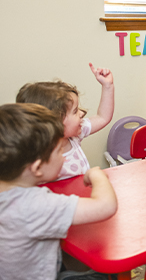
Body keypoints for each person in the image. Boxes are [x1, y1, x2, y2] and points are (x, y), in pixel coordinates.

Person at [0, 103, 118, 280]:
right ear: (38, 168)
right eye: (59, 151)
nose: (64, 156)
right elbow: (105, 206)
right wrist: (97, 175)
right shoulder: (34, 205)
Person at [16, 63, 114, 181]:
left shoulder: (74, 136)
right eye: (75, 111)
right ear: (54, 123)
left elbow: (102, 117)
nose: (82, 113)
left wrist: (108, 86)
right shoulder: (37, 161)